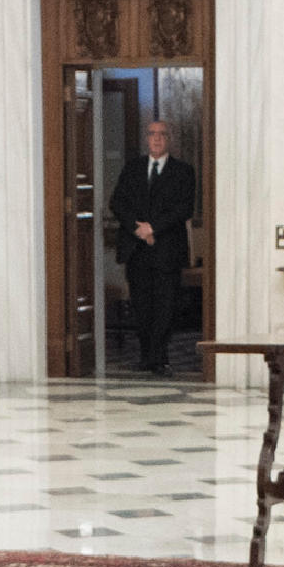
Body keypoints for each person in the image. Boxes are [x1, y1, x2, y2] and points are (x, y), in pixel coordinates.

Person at [106, 122, 202, 377]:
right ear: (146, 139)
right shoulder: (133, 168)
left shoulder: (183, 171)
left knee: (165, 306)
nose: (157, 139)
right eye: (152, 134)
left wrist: (153, 228)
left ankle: (160, 357)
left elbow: (184, 208)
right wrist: (137, 229)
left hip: (167, 250)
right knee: (141, 305)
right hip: (136, 250)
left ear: (169, 139)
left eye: (162, 135)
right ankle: (146, 356)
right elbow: (117, 202)